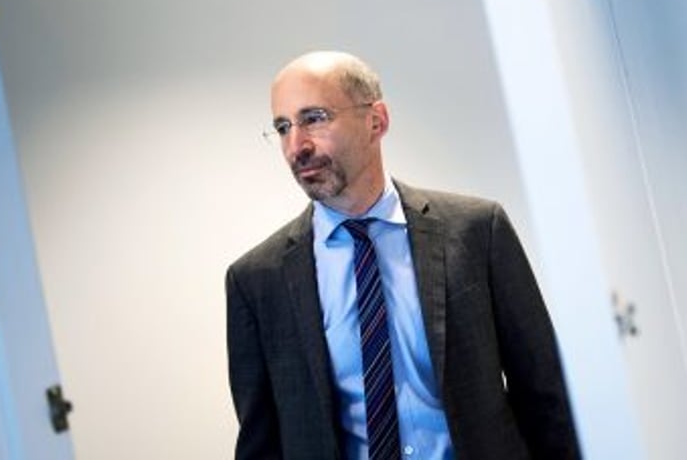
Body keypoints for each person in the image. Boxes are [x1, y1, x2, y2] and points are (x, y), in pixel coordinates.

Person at [226, 50, 581, 459]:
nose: (296, 146)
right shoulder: (256, 280)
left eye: (314, 118)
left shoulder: (477, 230)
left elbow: (546, 394)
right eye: (283, 127)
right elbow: (261, 444)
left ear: (376, 120)